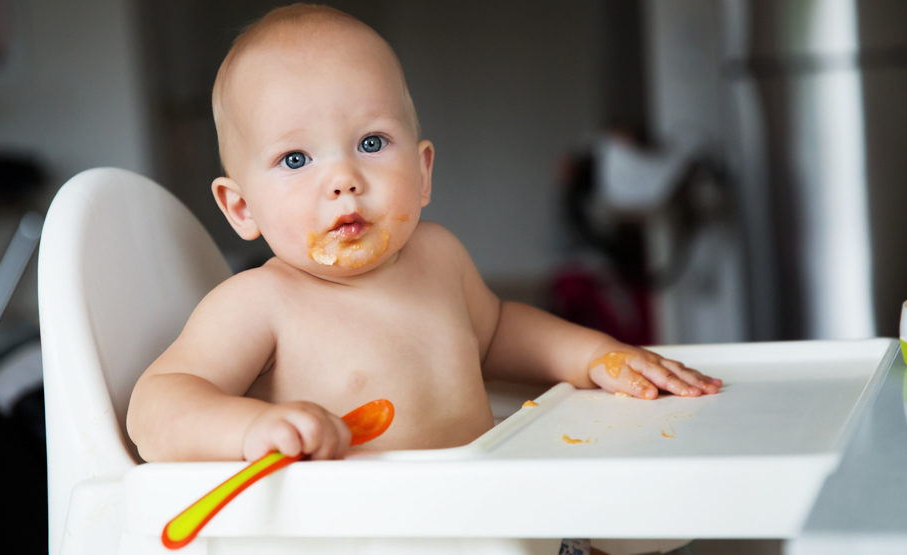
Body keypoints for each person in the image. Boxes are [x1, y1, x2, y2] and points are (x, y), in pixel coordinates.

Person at [126, 4, 721, 464]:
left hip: (481, 520)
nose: (343, 181)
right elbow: (154, 410)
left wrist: (594, 355)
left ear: (423, 169)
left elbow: (497, 334)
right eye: (295, 159)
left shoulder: (439, 256)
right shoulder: (260, 303)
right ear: (241, 207)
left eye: (371, 143)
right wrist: (250, 430)